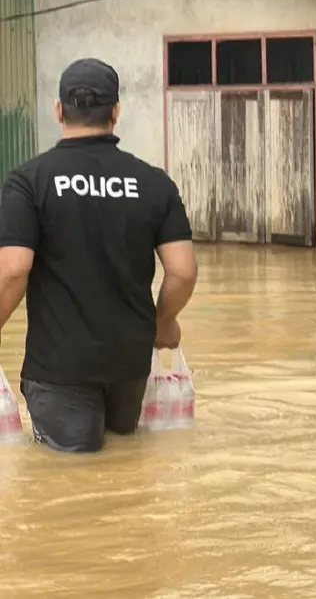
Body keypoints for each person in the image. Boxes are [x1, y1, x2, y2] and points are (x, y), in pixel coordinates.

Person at [0, 59, 198, 453]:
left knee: (70, 481)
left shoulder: (29, 181)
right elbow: (183, 272)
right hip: (130, 365)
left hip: (60, 368)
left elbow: (13, 272)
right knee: (124, 469)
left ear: (58, 110)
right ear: (116, 112)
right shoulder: (153, 183)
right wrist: (162, 322)